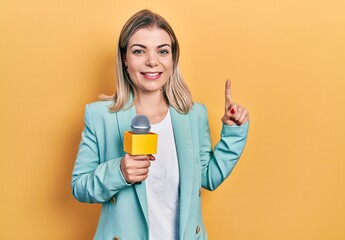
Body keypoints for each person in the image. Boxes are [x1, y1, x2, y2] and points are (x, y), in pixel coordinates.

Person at [71, 9, 249, 240]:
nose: (152, 61)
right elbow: (80, 187)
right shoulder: (100, 116)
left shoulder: (194, 115)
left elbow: (208, 177)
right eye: (139, 51)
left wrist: (233, 133)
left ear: (173, 58)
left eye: (162, 51)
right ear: (124, 59)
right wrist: (119, 172)